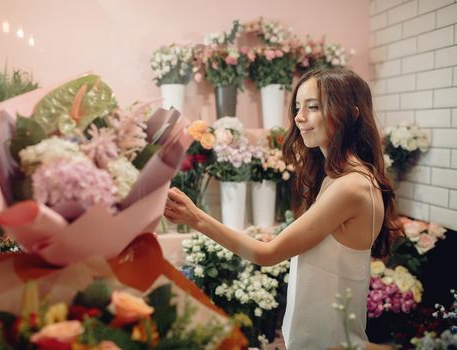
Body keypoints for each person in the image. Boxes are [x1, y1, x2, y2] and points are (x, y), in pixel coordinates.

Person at [164, 67, 400, 350]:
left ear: (351, 113)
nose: (299, 117)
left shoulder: (350, 186)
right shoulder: (342, 180)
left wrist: (196, 218)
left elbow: (268, 255)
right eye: (298, 107)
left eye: (313, 107)